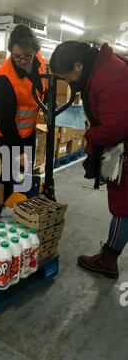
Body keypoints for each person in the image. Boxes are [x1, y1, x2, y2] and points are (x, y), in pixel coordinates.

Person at [50, 41, 128, 279]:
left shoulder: (108, 76)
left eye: (68, 76)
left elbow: (116, 127)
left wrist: (90, 135)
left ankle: (109, 259)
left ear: (78, 65)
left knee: (123, 205)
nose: (70, 82)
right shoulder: (101, 69)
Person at [0, 24, 45, 203]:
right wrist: (17, 151)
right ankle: (2, 207)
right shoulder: (5, 78)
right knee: (10, 169)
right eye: (16, 56)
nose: (22, 60)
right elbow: (6, 121)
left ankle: (22, 203)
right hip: (5, 131)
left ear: (34, 51)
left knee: (26, 167)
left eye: (27, 56)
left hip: (27, 128)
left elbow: (42, 85)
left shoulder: (39, 60)